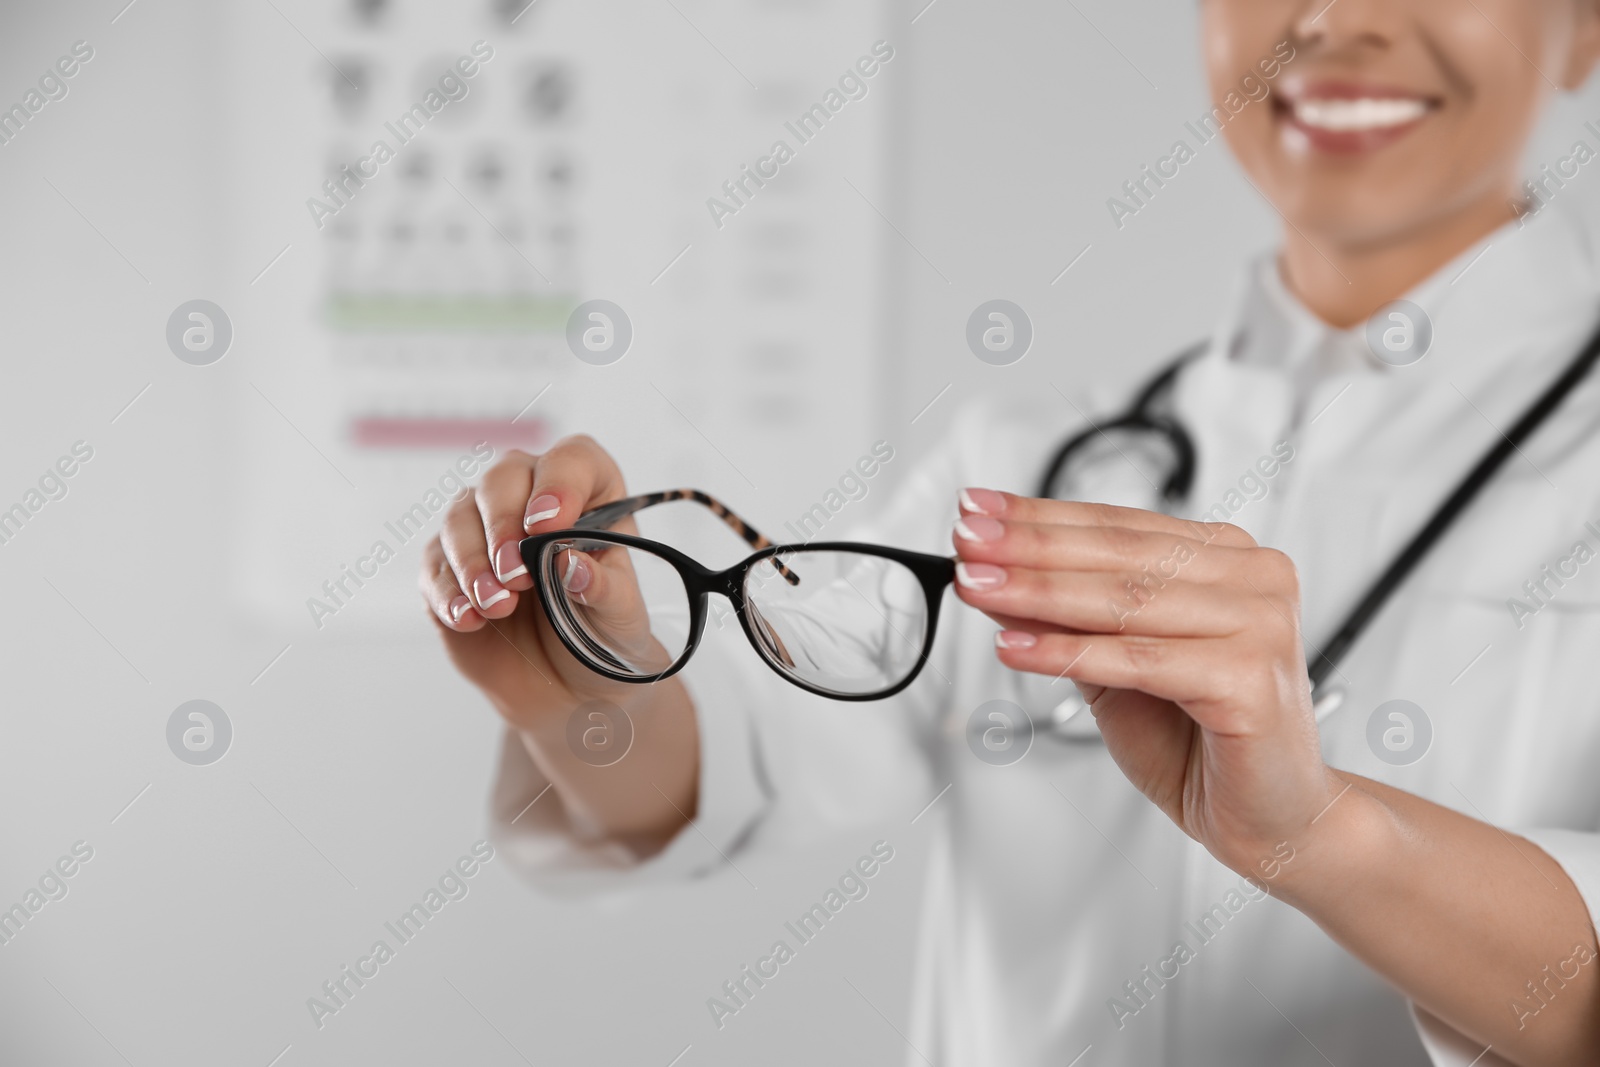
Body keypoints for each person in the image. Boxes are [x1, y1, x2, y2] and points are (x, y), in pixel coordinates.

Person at [417, 0, 1600, 1063]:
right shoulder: (1023, 465)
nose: (1340, 17)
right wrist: (577, 675)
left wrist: (1326, 838)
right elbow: (736, 758)